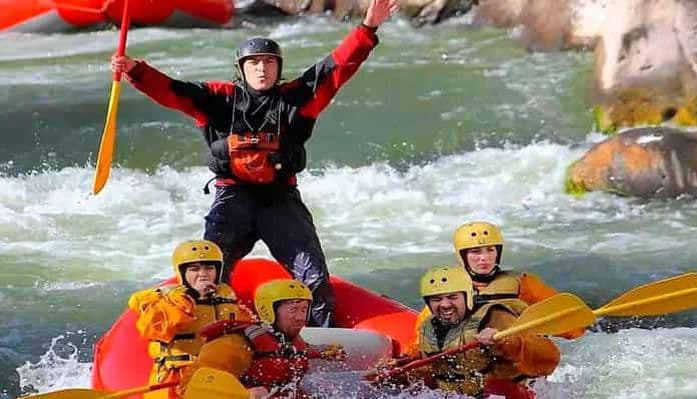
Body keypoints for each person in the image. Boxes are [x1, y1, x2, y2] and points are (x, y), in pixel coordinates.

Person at [110, 0, 400, 327]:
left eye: (268, 63)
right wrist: (135, 70)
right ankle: (207, 334)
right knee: (208, 274)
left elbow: (338, 67)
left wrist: (368, 28)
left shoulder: (297, 98)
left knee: (314, 279)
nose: (261, 69)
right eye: (254, 63)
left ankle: (321, 345)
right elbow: (173, 91)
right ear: (242, 69)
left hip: (280, 201)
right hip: (232, 199)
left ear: (278, 68)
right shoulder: (220, 99)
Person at [409, 221, 584, 354]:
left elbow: (572, 329)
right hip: (471, 362)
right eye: (476, 252)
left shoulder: (523, 284)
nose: (484, 258)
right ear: (463, 256)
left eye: (489, 250)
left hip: (514, 357)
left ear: (497, 252)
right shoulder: (448, 289)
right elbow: (422, 337)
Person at [406, 266, 561, 399]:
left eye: (453, 297)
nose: (445, 305)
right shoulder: (428, 327)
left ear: (467, 297)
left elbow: (549, 358)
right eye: (436, 299)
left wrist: (505, 342)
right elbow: (428, 373)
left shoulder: (494, 317)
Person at [128, 240, 255, 399]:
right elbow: (153, 329)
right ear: (182, 273)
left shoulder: (228, 298)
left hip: (217, 378)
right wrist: (191, 296)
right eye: (194, 269)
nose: (203, 274)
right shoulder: (169, 299)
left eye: (209, 268)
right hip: (176, 380)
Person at [180, 279, 345, 399]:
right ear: (268, 310)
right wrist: (243, 395)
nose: (300, 317)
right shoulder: (236, 343)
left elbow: (289, 353)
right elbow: (192, 385)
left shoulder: (286, 339)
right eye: (293, 309)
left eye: (304, 309)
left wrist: (322, 352)